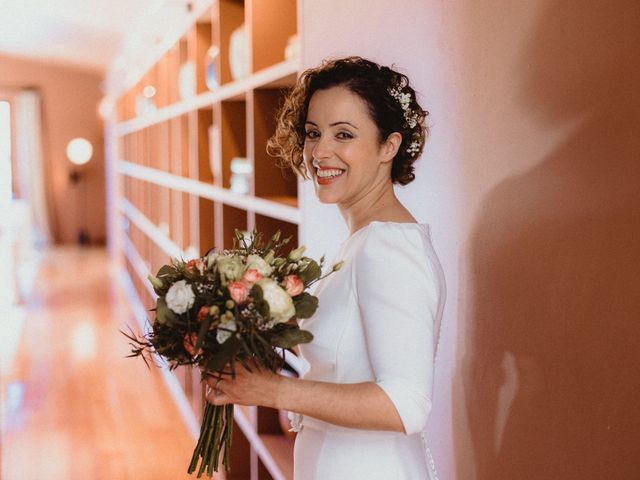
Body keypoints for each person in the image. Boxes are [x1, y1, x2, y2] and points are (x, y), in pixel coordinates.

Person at [205, 56, 446, 479]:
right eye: (313, 133)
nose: (320, 151)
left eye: (344, 134)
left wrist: (273, 389)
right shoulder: (362, 241)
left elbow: (405, 404)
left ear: (389, 145)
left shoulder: (387, 248)